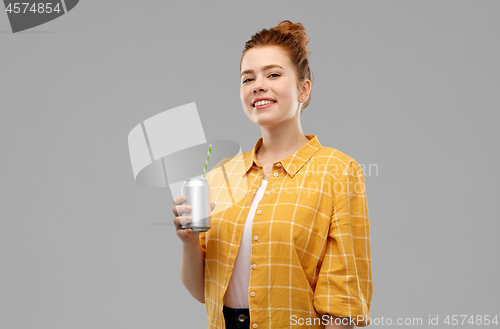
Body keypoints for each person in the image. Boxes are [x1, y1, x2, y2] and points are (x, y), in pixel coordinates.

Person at [173, 20, 372, 329]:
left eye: (274, 74)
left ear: (303, 89)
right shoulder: (220, 175)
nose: (258, 85)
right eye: (247, 78)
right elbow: (203, 292)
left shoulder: (337, 171)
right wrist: (188, 241)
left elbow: (344, 302)